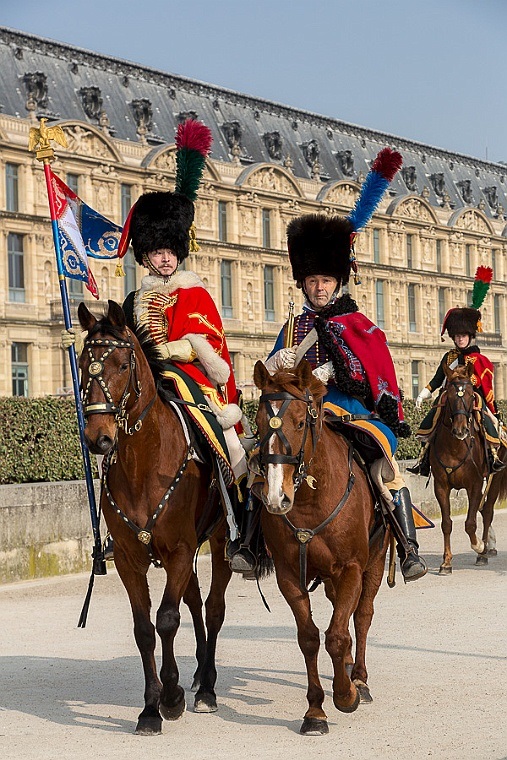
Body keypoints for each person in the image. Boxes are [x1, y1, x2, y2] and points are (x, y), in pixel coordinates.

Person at [64, 119, 257, 573]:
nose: (165, 256)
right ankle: (119, 525)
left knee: (224, 439)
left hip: (192, 380)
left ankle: (240, 525)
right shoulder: (132, 299)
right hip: (144, 383)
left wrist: (183, 349)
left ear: (179, 250)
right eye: (155, 250)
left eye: (170, 249)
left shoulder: (197, 292)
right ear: (145, 255)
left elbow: (214, 346)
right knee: (116, 434)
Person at [260, 149, 428, 582]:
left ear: (338, 282)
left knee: (381, 466)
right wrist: (276, 361)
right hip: (300, 416)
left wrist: (336, 374)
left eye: (326, 281)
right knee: (261, 457)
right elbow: (275, 381)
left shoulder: (358, 325)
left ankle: (407, 544)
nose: (319, 287)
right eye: (313, 281)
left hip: (347, 413)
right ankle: (249, 541)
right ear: (304, 282)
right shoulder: (293, 327)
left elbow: (374, 375)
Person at [409, 272, 505, 475]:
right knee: (433, 418)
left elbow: (486, 388)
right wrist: (423, 393)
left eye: (463, 336)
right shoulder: (449, 357)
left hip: (473, 397)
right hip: (450, 395)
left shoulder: (480, 360)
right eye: (457, 336)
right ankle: (424, 458)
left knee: (483, 420)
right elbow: (437, 379)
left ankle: (492, 456)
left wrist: (492, 410)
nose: (460, 339)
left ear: (470, 336)